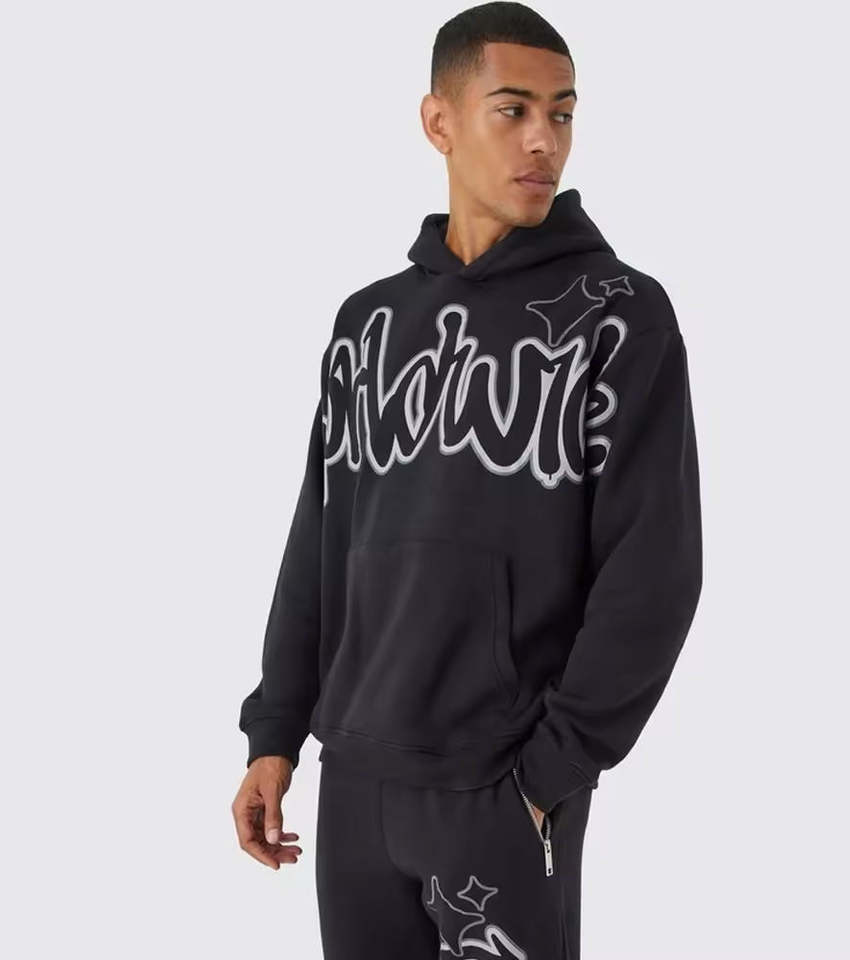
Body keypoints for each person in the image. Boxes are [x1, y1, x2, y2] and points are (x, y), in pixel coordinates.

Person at [231, 3, 703, 956]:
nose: (544, 141)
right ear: (439, 122)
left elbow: (654, 571)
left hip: (500, 788)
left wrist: (549, 774)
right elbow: (320, 540)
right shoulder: (367, 324)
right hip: (354, 782)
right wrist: (275, 734)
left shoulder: (618, 316)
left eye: (562, 114)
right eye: (513, 110)